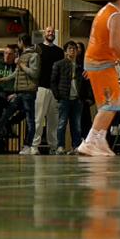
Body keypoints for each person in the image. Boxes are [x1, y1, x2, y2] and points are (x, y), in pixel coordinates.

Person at [78, 0, 120, 157]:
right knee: (110, 104)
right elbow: (115, 44)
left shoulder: (104, 11)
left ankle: (100, 139)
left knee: (115, 103)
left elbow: (97, 38)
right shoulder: (116, 16)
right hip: (100, 62)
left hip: (97, 61)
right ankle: (89, 142)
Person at [30, 26, 64, 154]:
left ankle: (53, 146)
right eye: (48, 31)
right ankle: (34, 146)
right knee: (38, 118)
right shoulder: (37, 49)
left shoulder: (59, 52)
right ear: (44, 34)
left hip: (54, 90)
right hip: (41, 88)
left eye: (52, 32)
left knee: (53, 120)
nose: (50, 33)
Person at [52, 41, 86, 154]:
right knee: (62, 123)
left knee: (76, 125)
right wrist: (58, 96)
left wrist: (85, 97)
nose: (72, 50)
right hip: (64, 98)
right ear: (66, 51)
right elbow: (53, 81)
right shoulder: (59, 64)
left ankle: (76, 146)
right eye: (70, 48)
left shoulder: (81, 66)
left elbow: (86, 83)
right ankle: (60, 146)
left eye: (74, 49)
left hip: (77, 99)